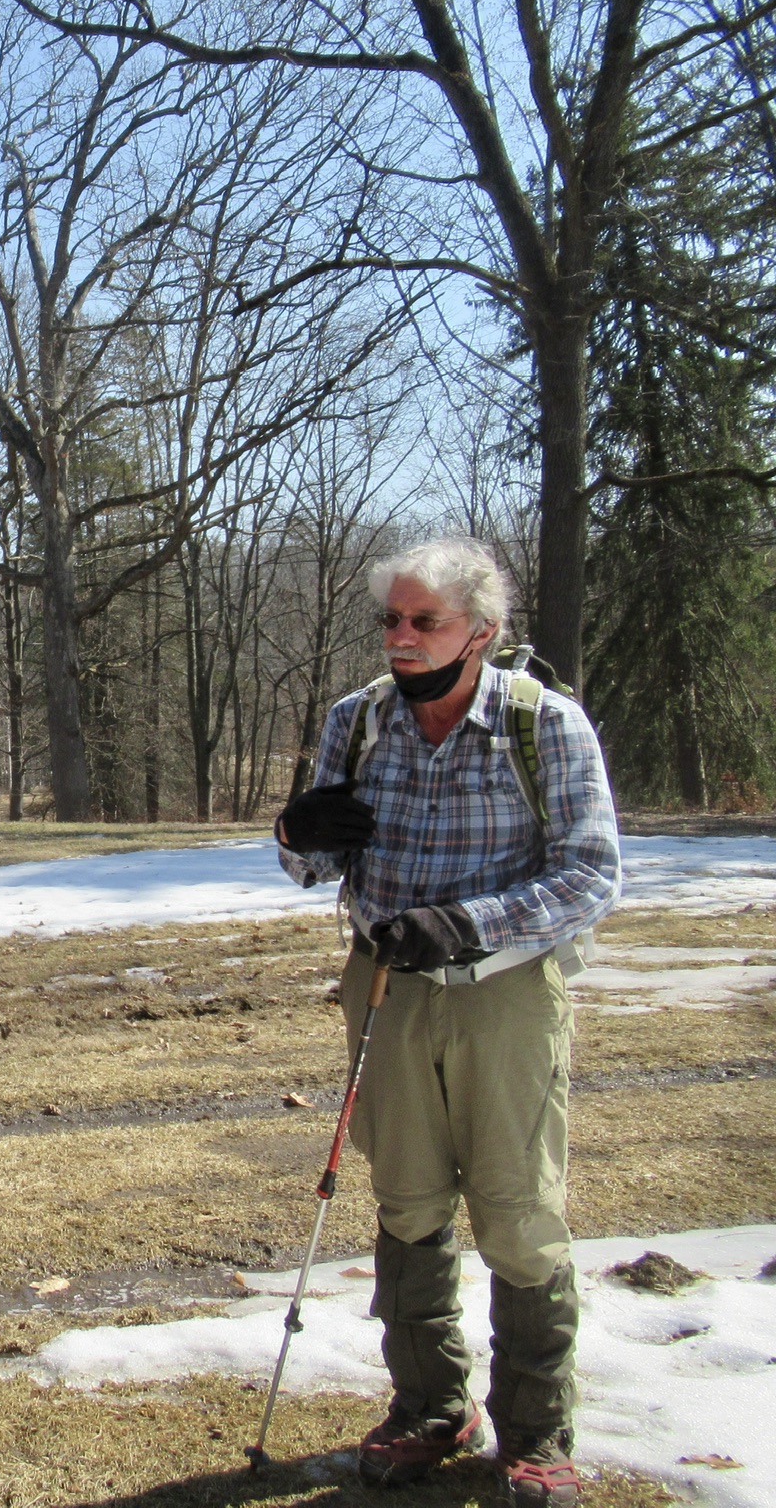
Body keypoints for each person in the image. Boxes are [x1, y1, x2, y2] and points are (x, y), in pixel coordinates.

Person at [275, 539, 620, 1508]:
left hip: (502, 994)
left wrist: (466, 923)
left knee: (515, 1212)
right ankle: (430, 1406)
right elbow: (309, 865)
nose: (400, 638)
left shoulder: (541, 728)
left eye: (423, 622)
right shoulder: (355, 725)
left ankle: (537, 1433)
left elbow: (591, 874)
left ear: (480, 631)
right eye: (390, 621)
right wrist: (292, 834)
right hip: (383, 989)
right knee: (408, 1201)